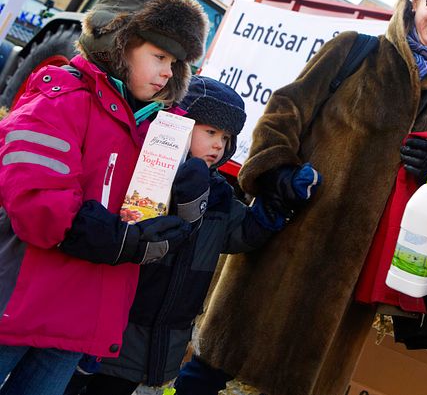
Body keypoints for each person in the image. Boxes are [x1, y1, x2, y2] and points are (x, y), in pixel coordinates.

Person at [174, 0, 427, 395]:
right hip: (288, 240)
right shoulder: (355, 51)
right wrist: (278, 174)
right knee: (210, 370)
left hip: (353, 277)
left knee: (303, 383)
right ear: (414, 0)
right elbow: (285, 111)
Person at [0, 0, 208, 395]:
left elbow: (157, 222)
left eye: (176, 63)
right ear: (118, 42)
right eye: (159, 56)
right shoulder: (60, 100)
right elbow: (37, 202)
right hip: (19, 304)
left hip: (81, 320)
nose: (168, 71)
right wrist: (116, 239)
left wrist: (187, 200)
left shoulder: (157, 130)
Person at [61, 75, 318, 395]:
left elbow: (239, 234)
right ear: (176, 124)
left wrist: (278, 201)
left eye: (225, 138)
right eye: (210, 132)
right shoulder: (144, 176)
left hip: (164, 333)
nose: (218, 145)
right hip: (117, 325)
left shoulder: (219, 194)